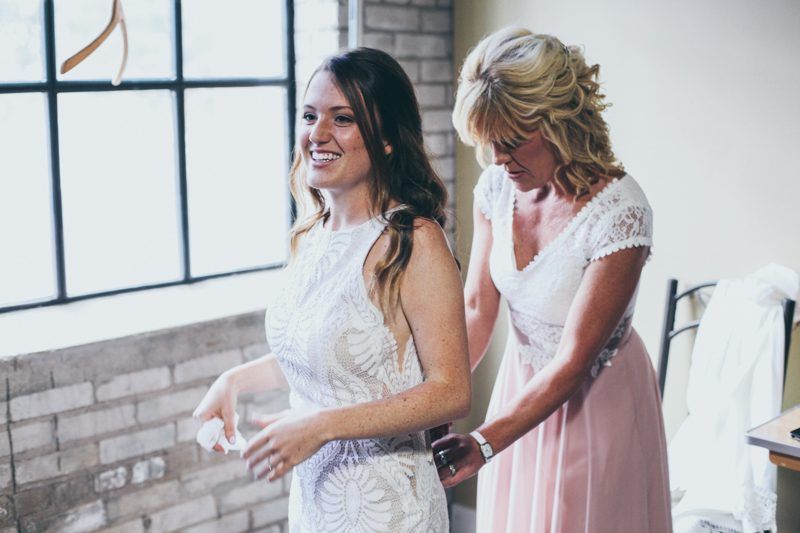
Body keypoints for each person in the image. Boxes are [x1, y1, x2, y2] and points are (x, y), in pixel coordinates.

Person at [193, 48, 470, 533]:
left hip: (388, 509)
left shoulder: (413, 240)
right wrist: (233, 381)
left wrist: (320, 425)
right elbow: (324, 353)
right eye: (309, 116)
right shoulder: (311, 233)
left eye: (342, 119)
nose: (317, 134)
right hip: (316, 501)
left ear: (387, 138)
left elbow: (451, 392)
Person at [432, 28, 672, 532]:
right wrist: (441, 397)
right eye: (488, 141)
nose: (498, 157)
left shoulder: (621, 213)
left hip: (595, 401)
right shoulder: (497, 187)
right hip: (519, 388)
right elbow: (476, 309)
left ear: (559, 123)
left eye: (511, 142)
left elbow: (573, 362)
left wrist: (484, 442)